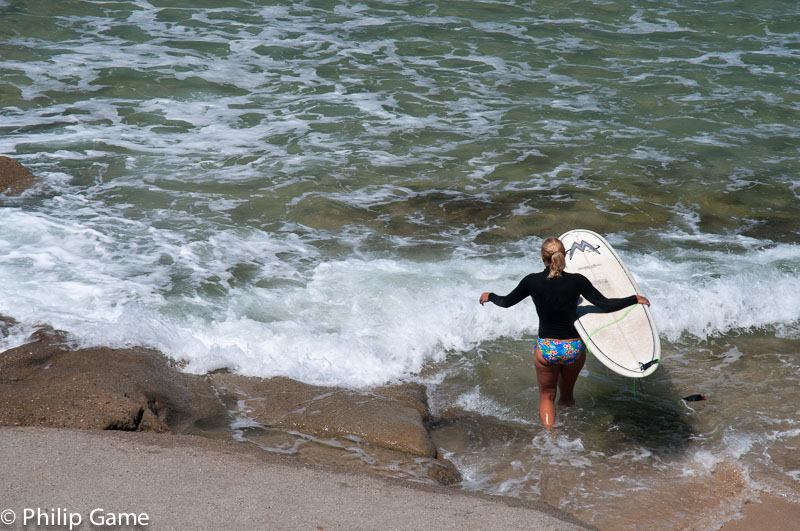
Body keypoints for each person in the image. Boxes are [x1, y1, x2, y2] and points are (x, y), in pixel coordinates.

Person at [479, 237, 650, 430]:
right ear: (565, 256)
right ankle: (570, 432)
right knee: (567, 396)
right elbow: (604, 304)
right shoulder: (577, 281)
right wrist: (634, 299)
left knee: (547, 397)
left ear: (542, 257)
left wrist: (490, 296)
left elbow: (507, 302)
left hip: (547, 349)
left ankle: (551, 440)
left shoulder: (532, 281)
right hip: (573, 348)